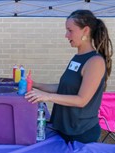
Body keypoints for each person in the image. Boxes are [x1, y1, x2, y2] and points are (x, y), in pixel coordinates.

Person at [25, 10, 113, 144]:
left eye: (70, 30)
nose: (66, 35)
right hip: (64, 128)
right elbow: (64, 88)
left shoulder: (95, 61)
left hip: (81, 133)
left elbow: (81, 100)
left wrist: (46, 96)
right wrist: (35, 84)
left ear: (85, 31)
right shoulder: (77, 58)